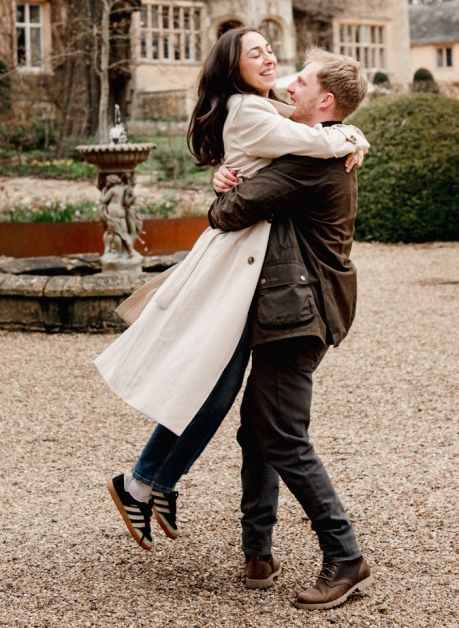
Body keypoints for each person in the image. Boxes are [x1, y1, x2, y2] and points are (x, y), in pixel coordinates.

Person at [95, 28, 368, 551]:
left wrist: (351, 135)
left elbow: (309, 138)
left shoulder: (269, 115)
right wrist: (349, 136)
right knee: (213, 385)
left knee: (221, 392)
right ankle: (145, 483)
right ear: (233, 67)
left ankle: (152, 484)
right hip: (234, 265)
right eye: (256, 53)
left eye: (274, 53)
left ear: (325, 98)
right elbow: (307, 145)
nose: (276, 66)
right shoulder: (249, 111)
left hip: (253, 274)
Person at [208, 49, 372, 610]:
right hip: (293, 310)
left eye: (300, 81)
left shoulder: (308, 159)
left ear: (324, 101)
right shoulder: (323, 145)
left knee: (281, 433)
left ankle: (345, 556)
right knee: (259, 429)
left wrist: (223, 187)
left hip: (297, 314)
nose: (288, 84)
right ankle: (258, 552)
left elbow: (232, 211)